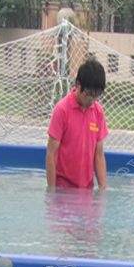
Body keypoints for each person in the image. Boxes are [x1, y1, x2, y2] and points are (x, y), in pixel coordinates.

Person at [46, 59, 108, 190]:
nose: (92, 100)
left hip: (86, 189)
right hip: (62, 188)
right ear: (78, 85)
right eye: (89, 95)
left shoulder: (98, 112)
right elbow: (51, 153)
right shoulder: (62, 110)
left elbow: (99, 154)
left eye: (96, 96)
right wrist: (51, 191)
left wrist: (103, 189)